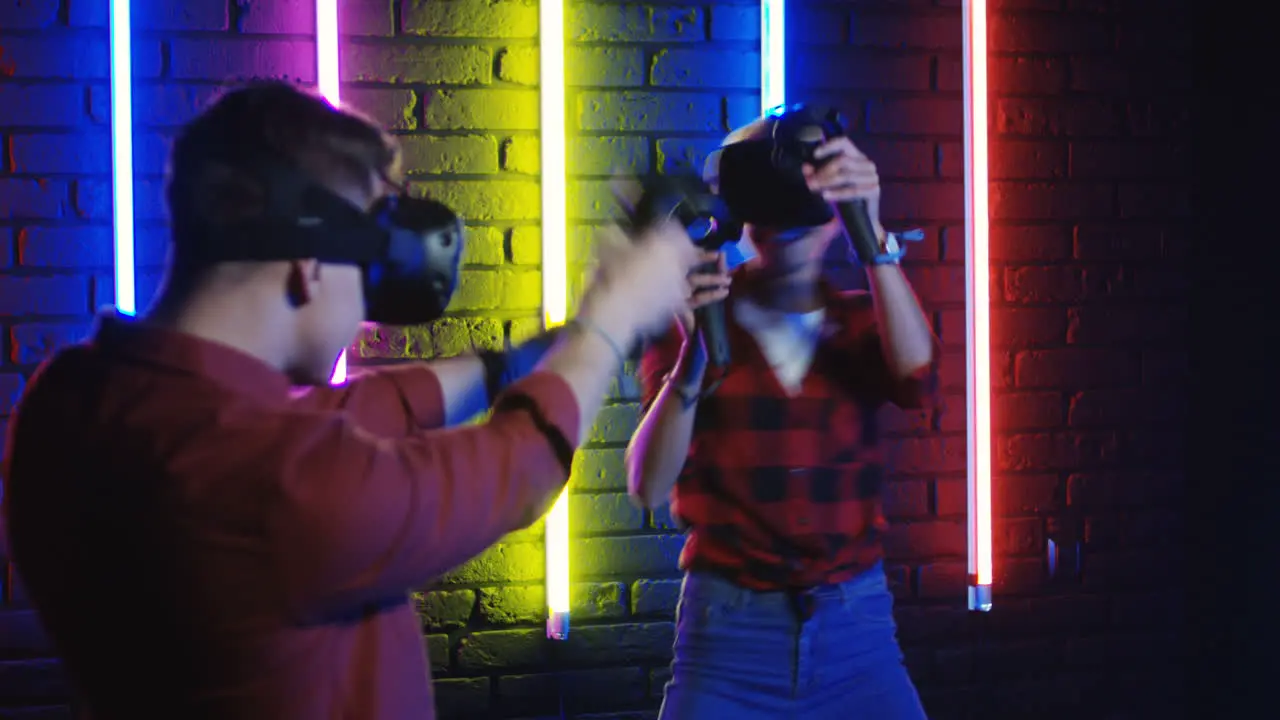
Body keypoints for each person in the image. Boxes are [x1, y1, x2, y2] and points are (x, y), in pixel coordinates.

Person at [1, 82, 699, 720]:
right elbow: (516, 468)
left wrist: (555, 345)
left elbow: (347, 413)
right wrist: (609, 323)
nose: (368, 306)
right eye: (365, 271)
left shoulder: (73, 398)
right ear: (307, 264)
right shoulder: (271, 483)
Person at [626, 109, 941, 719]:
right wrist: (696, 357)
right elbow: (647, 485)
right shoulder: (695, 321)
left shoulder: (858, 321)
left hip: (858, 636)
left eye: (808, 203)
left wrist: (871, 231)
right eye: (773, 211)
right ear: (744, 221)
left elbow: (918, 381)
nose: (791, 228)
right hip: (727, 643)